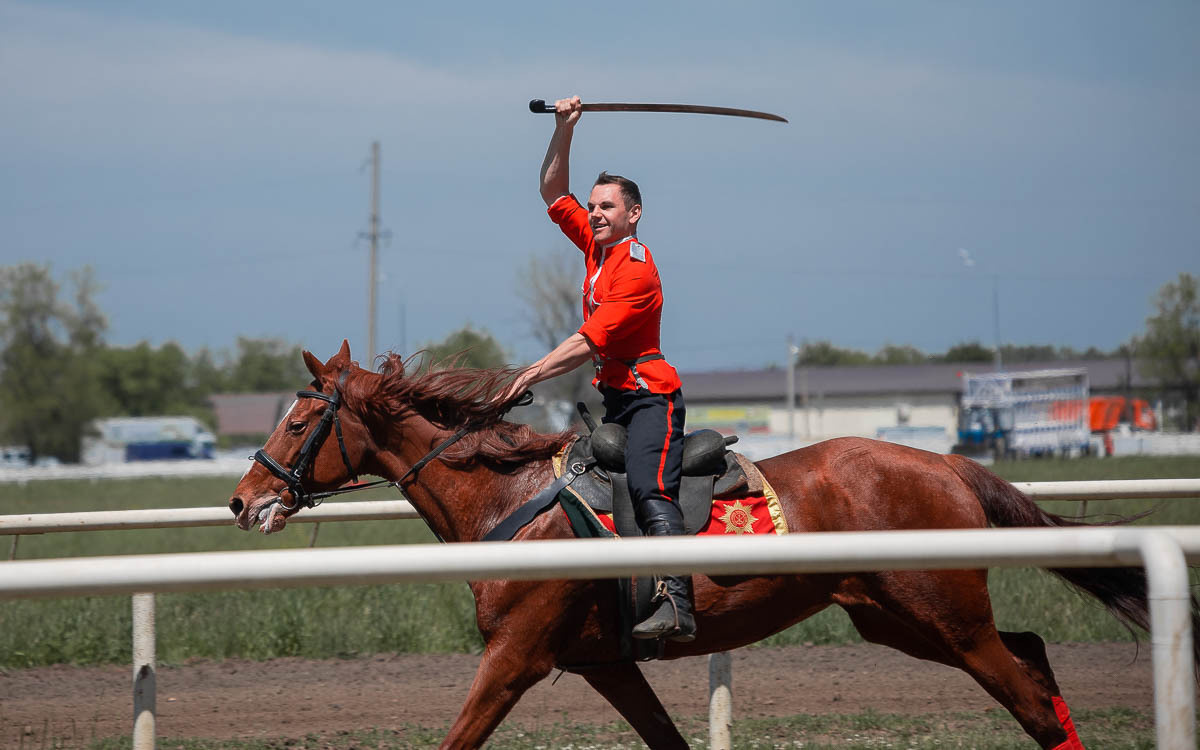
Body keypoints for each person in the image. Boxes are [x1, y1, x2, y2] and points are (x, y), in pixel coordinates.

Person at [498, 96, 695, 642]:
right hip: (614, 400)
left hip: (651, 400)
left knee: (651, 490)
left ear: (633, 214)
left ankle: (678, 604)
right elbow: (551, 191)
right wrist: (565, 129)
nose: (596, 214)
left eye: (607, 207)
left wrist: (530, 373)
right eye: (594, 206)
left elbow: (589, 342)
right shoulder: (595, 245)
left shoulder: (636, 269)